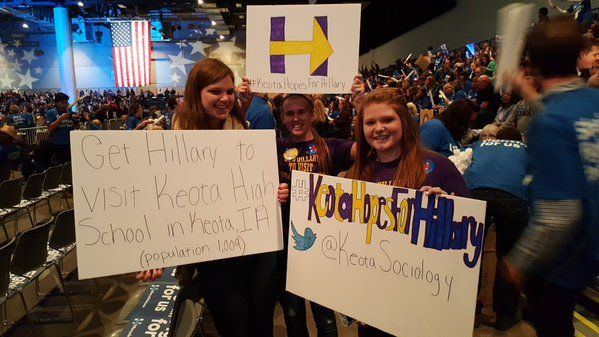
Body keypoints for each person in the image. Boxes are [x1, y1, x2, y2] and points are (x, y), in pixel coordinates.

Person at [139, 58, 278, 337]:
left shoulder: (241, 126)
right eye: (216, 91)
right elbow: (163, 200)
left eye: (229, 91)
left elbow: (253, 182)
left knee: (262, 328)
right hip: (216, 255)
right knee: (235, 328)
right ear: (197, 92)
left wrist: (274, 190)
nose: (225, 98)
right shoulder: (175, 140)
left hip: (258, 249)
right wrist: (153, 248)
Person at [345, 87, 469, 337]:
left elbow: (467, 235)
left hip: (423, 304)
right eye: (370, 122)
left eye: (387, 119)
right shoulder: (357, 173)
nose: (379, 128)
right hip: (374, 304)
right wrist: (353, 299)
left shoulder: (438, 166)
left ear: (404, 122)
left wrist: (448, 209)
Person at [502, 17, 599, 337]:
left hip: (561, 258)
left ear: (534, 63)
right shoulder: (591, 100)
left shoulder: (550, 122)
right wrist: (527, 90)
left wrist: (520, 261)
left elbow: (560, 215)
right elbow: (564, 123)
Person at [276, 93, 355, 337]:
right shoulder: (276, 147)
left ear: (313, 114)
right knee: (293, 317)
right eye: (290, 113)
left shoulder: (331, 147)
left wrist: (360, 106)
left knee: (326, 319)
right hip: (286, 249)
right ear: (282, 117)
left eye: (302, 112)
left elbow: (367, 150)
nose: (296, 118)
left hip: (323, 248)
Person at [464, 128, 528, 330]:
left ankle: (467, 311)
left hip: (475, 191)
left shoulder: (479, 144)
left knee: (469, 254)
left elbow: (460, 164)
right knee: (508, 254)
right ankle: (505, 315)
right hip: (512, 196)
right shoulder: (526, 149)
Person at [45, 92, 77, 164]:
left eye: (66, 102)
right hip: (57, 145)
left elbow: (74, 126)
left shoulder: (69, 112)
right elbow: (50, 129)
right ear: (57, 102)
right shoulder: (51, 112)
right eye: (63, 102)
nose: (66, 104)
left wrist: (76, 119)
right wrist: (61, 118)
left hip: (70, 144)